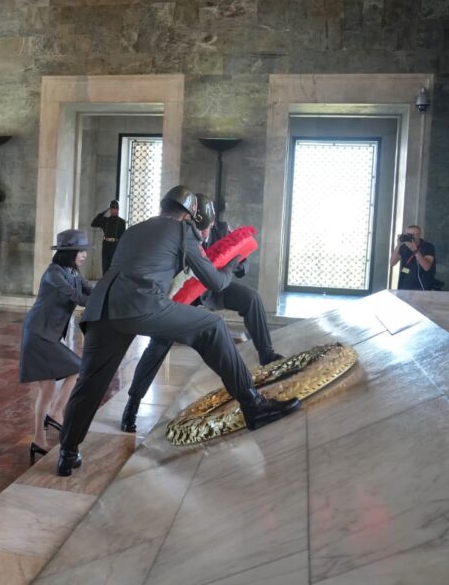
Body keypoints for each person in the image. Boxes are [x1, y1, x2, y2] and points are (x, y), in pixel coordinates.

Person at [55, 186, 302, 477]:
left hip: (102, 309)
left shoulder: (134, 229)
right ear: (190, 214)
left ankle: (67, 453)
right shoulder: (182, 230)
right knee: (213, 327)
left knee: (90, 384)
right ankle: (254, 406)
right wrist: (234, 260)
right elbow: (215, 282)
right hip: (143, 304)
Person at [120, 193, 284, 432]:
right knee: (157, 346)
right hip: (181, 297)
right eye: (197, 228)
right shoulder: (177, 234)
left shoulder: (222, 229)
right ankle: (132, 405)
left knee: (251, 298)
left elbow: (242, 265)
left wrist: (237, 263)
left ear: (213, 223)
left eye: (205, 229)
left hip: (212, 288)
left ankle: (267, 355)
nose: (201, 234)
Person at [19, 229, 91, 462]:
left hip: (48, 335)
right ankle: (56, 413)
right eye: (81, 251)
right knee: (76, 368)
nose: (84, 255)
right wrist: (99, 301)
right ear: (69, 252)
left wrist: (111, 293)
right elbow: (77, 297)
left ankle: (39, 440)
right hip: (38, 334)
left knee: (48, 389)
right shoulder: (54, 273)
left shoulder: (73, 271)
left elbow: (90, 290)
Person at [390, 224, 436, 291]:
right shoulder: (403, 247)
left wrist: (415, 250)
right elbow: (392, 263)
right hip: (404, 285)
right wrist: (398, 245)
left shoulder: (428, 246)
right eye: (409, 235)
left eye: (415, 234)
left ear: (419, 235)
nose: (412, 237)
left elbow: (426, 267)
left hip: (422, 286)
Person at [90, 199, 127, 274]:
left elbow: (123, 236)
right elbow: (93, 224)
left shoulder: (121, 222)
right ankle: (105, 281)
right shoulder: (105, 220)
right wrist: (102, 213)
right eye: (112, 209)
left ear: (118, 210)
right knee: (105, 266)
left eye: (115, 209)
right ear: (110, 210)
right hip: (106, 244)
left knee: (114, 266)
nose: (114, 210)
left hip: (115, 245)